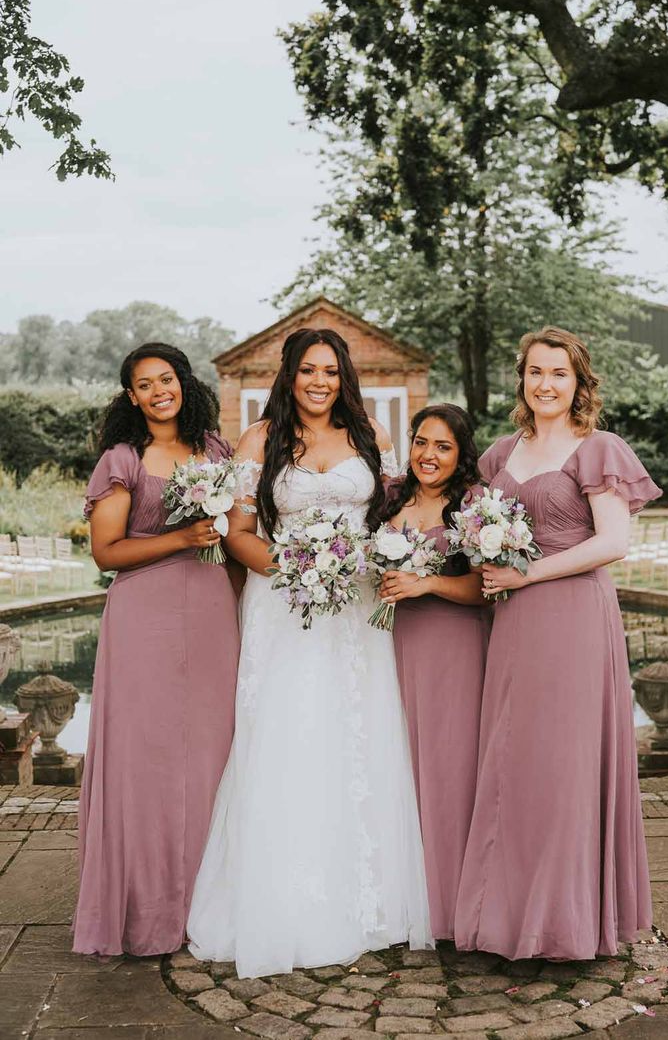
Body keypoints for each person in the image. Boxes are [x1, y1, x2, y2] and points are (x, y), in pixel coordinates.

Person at [187, 327, 431, 978]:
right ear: (289, 376)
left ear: (342, 377)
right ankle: (285, 901)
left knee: (357, 731)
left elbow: (392, 517)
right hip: (282, 603)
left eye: (330, 371)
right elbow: (235, 533)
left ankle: (368, 900)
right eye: (307, 371)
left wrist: (388, 559)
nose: (319, 381)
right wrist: (294, 570)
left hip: (354, 610)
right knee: (288, 732)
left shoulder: (369, 437)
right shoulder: (260, 441)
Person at [455, 326, 661, 961]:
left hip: (572, 616)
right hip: (513, 623)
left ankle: (567, 921)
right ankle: (508, 912)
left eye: (559, 374)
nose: (546, 384)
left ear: (579, 383)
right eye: (536, 372)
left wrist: (529, 572)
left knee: (565, 763)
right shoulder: (498, 455)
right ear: (522, 379)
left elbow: (613, 543)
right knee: (513, 758)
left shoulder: (598, 448)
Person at [73, 342, 242, 957]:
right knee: (146, 759)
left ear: (182, 382)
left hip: (211, 611)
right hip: (143, 617)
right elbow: (107, 552)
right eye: (144, 385)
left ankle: (207, 900)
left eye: (165, 379)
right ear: (132, 397)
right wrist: (178, 539)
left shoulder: (216, 452)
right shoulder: (123, 459)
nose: (157, 391)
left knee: (212, 750)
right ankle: (146, 909)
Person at [379, 404, 491, 940]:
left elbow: (483, 588)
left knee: (449, 770)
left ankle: (451, 909)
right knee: (399, 768)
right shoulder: (390, 499)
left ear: (460, 452)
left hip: (453, 647)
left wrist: (427, 584)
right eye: (422, 442)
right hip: (391, 647)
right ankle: (403, 900)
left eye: (443, 447)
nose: (428, 455)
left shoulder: (473, 506)